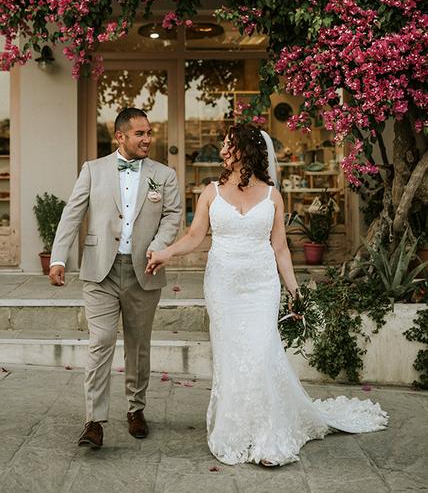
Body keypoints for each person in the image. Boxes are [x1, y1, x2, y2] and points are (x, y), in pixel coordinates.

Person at [146, 123, 387, 467]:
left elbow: (281, 248)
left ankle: (268, 437)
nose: (224, 150)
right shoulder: (211, 192)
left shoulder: (273, 195)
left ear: (247, 150)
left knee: (260, 354)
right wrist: (165, 253)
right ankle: (236, 432)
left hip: (261, 286)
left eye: (230, 145)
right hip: (224, 286)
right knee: (232, 359)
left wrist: (295, 291)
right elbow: (195, 236)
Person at [49, 107, 182, 448]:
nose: (147, 139)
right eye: (140, 133)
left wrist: (158, 246)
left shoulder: (164, 175)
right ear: (120, 136)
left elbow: (172, 216)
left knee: (138, 347)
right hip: (100, 271)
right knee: (102, 340)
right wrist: (59, 258)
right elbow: (72, 213)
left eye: (149, 132)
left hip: (145, 271)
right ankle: (94, 420)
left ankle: (136, 409)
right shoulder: (93, 170)